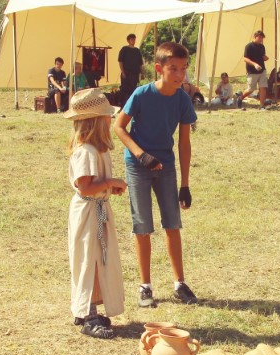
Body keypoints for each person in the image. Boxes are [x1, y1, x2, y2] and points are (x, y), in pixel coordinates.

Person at [114, 41, 199, 308]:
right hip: (138, 165)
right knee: (143, 226)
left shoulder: (182, 99)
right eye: (173, 68)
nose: (179, 74)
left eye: (183, 68)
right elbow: (118, 127)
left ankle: (180, 284)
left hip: (165, 166)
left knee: (173, 224)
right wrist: (141, 155)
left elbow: (184, 143)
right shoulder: (141, 94)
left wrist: (185, 185)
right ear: (159, 69)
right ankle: (145, 287)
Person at [64, 88, 126, 339]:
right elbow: (86, 187)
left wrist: (109, 188)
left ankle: (88, 309)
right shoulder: (86, 152)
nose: (110, 119)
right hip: (88, 212)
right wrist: (109, 182)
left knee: (100, 259)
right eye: (107, 116)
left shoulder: (97, 150)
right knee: (88, 260)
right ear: (96, 122)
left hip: (97, 209)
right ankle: (87, 316)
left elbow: (95, 185)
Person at [236, 31, 269, 110]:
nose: (261, 39)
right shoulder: (249, 46)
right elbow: (245, 59)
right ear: (255, 37)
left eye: (262, 38)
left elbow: (263, 56)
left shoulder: (262, 46)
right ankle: (241, 97)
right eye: (260, 37)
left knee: (263, 87)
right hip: (252, 71)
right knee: (251, 89)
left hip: (262, 70)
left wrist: (265, 58)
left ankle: (262, 105)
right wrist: (254, 64)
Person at [118, 33, 144, 106]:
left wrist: (142, 73)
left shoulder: (137, 50)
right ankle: (122, 104)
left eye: (134, 39)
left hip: (135, 74)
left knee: (133, 89)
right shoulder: (124, 49)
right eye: (132, 39)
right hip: (126, 73)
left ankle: (132, 105)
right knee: (124, 89)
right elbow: (120, 61)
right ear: (128, 40)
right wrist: (123, 72)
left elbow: (140, 63)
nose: (133, 41)